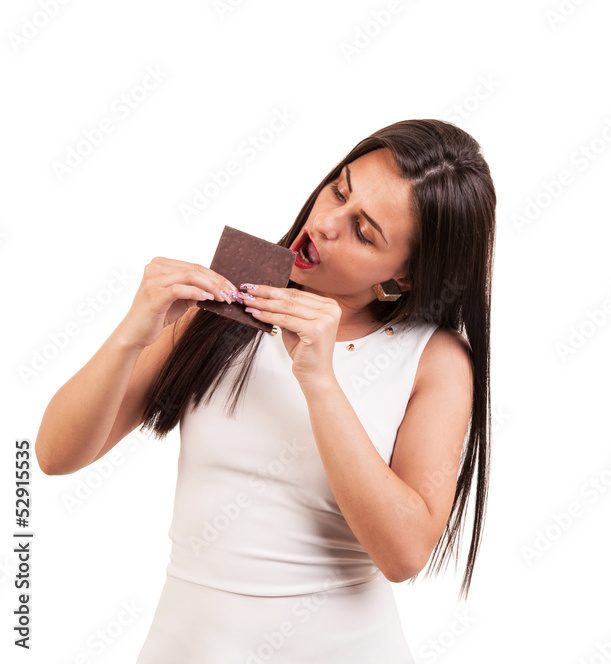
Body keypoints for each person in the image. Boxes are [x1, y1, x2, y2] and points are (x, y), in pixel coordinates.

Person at [35, 119, 496, 662]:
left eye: (363, 232)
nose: (324, 223)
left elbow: (405, 554)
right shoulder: (227, 299)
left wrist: (319, 380)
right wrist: (132, 334)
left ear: (404, 278)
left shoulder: (433, 359)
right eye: (339, 190)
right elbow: (54, 455)